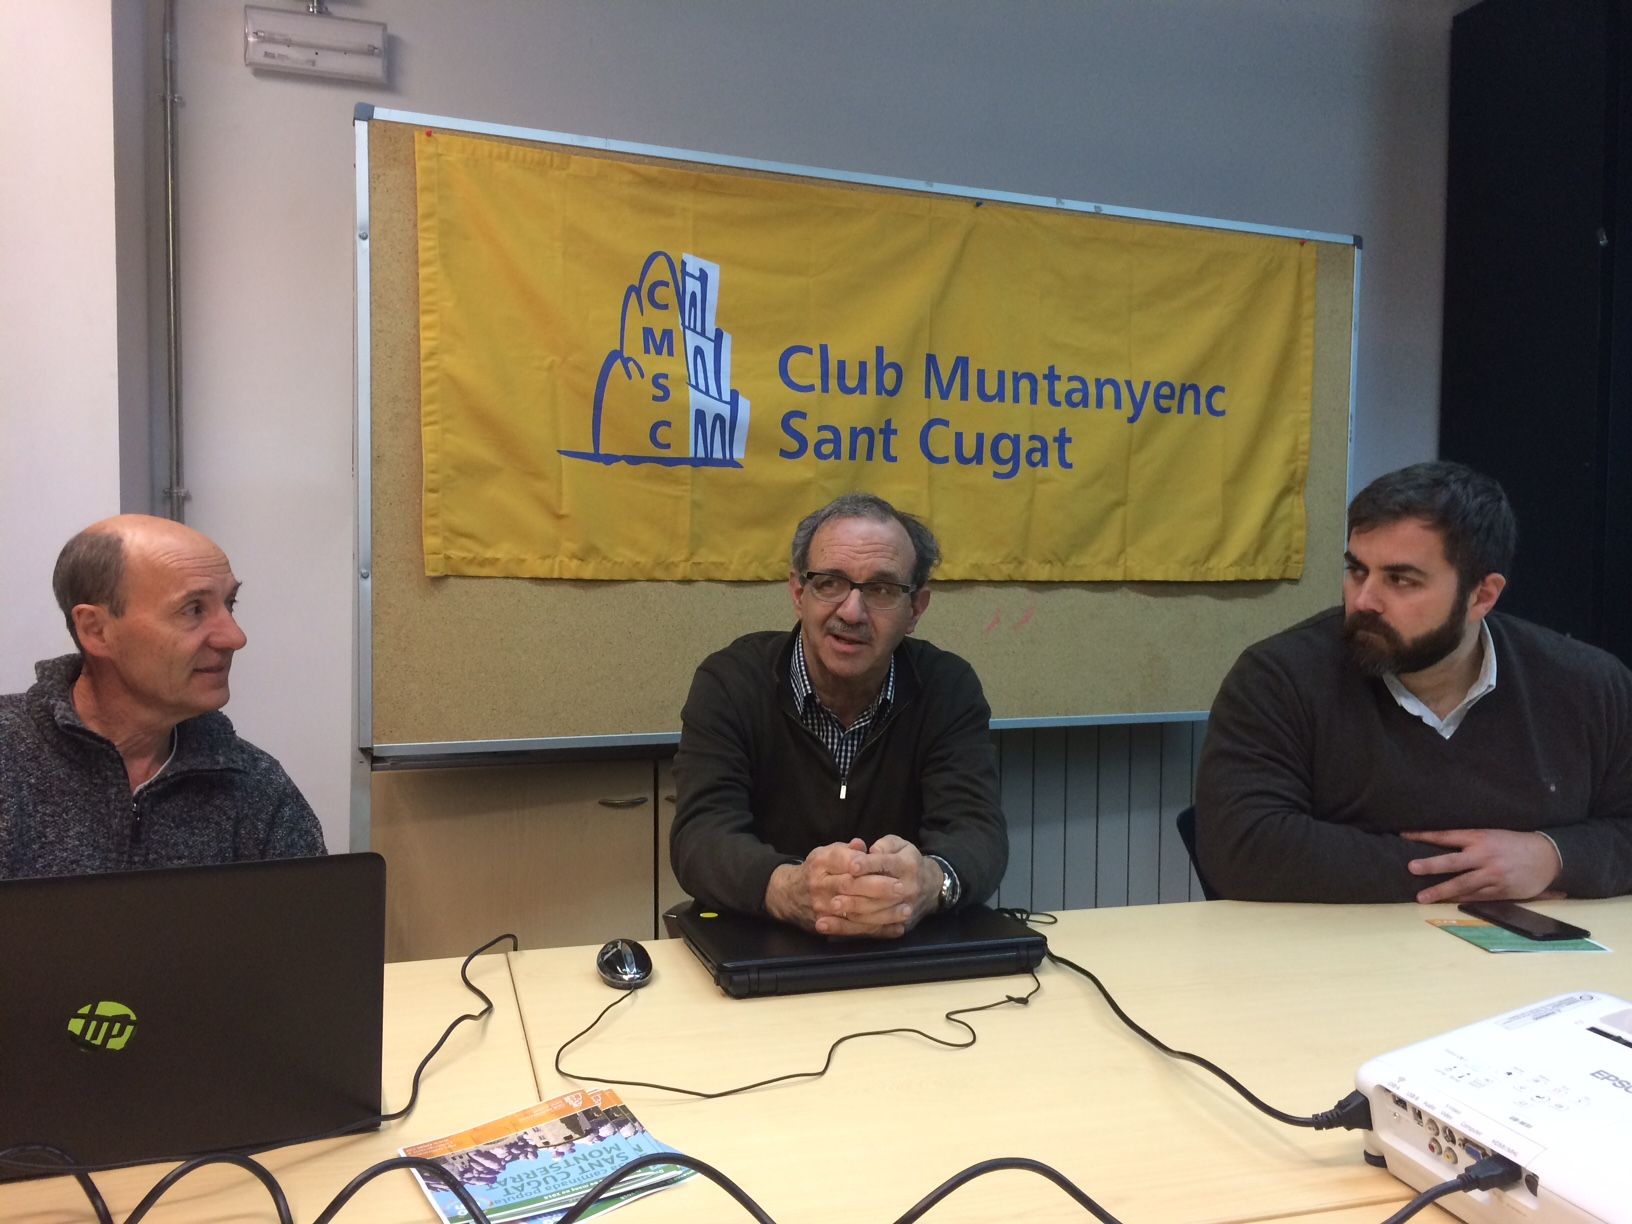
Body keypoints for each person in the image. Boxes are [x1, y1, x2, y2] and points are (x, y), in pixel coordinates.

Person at [1195, 461, 1632, 903]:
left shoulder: (1588, 686)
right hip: (1336, 957)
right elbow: (1243, 847)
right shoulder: (1279, 677)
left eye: (1401, 580)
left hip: (1542, 966)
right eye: (1357, 570)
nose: (1364, 601)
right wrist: (1485, 874)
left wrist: (1552, 857)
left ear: (1482, 595)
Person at [670, 492, 1007, 938]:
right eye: (830, 582)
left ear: (915, 610)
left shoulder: (948, 687)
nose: (851, 612)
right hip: (761, 941)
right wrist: (789, 888)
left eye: (882, 589)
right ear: (798, 593)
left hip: (903, 943)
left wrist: (931, 882)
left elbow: (976, 831)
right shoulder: (731, 682)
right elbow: (702, 835)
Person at [0, 514, 325, 879]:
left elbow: (314, 931)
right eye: (193, 610)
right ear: (96, 630)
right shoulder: (10, 760)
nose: (234, 637)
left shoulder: (254, 785)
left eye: (229, 604)